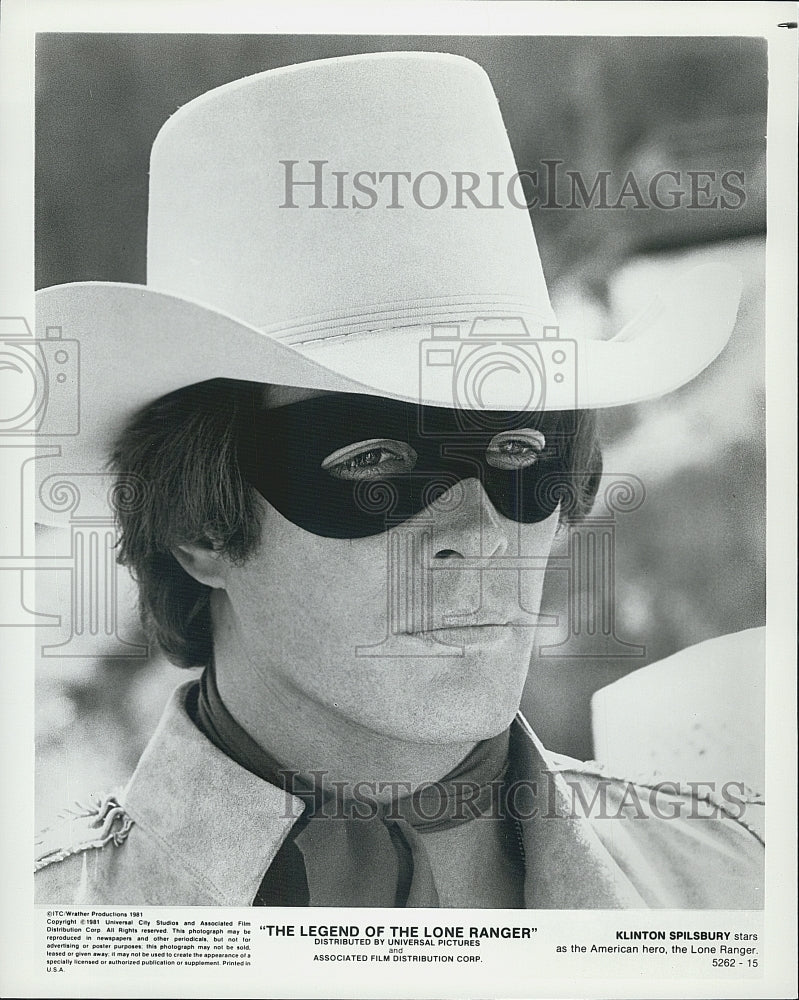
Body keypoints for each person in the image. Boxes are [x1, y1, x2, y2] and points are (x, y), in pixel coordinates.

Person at [34, 51, 763, 908]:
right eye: (373, 461)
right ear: (199, 526)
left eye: (521, 448)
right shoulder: (42, 934)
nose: (477, 533)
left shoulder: (734, 889)